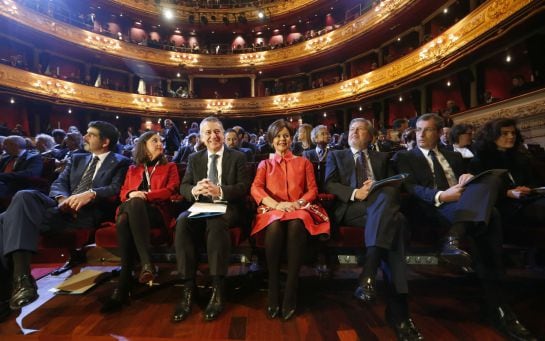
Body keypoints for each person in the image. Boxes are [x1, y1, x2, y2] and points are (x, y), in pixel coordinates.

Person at [393, 114, 536, 341]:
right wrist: (442, 195)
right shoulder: (405, 156)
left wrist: (468, 178)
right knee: (491, 216)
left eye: (427, 130)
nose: (420, 134)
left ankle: (457, 242)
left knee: (490, 187)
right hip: (431, 207)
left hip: (463, 205)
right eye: (418, 129)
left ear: (440, 133)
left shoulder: (454, 155)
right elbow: (411, 188)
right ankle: (499, 306)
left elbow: (468, 182)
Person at [0, 121, 130, 321]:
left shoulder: (120, 161)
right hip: (59, 209)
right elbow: (58, 183)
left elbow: (116, 188)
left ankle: (10, 290)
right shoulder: (77, 158)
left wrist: (91, 193)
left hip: (84, 214)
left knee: (5, 220)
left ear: (105, 142)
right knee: (24, 196)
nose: (85, 137)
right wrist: (62, 199)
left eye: (91, 135)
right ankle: (22, 280)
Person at [325, 118, 421, 340]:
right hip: (353, 209)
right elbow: (329, 184)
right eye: (351, 129)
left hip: (380, 209)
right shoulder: (337, 155)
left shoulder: (381, 157)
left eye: (360, 130)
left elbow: (395, 186)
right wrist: (354, 192)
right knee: (397, 222)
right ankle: (400, 314)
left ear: (371, 136)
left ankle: (369, 275)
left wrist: (377, 187)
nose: (354, 133)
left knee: (389, 203)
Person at [172, 117, 250, 323]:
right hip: (201, 206)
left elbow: (244, 187)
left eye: (217, 131)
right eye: (208, 132)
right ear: (201, 137)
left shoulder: (238, 157)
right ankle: (189, 288)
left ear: (223, 134)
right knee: (182, 221)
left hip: (227, 207)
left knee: (216, 221)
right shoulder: (194, 158)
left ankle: (218, 288)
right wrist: (194, 190)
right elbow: (184, 186)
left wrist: (220, 191)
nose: (213, 136)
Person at [251, 119, 330, 321]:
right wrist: (276, 205)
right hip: (273, 209)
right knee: (275, 226)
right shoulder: (265, 164)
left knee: (296, 223)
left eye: (286, 135)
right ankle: (273, 287)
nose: (282, 139)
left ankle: (291, 289)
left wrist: (298, 202)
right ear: (271, 140)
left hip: (298, 208)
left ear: (291, 138)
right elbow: (256, 188)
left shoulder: (303, 162)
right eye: (277, 136)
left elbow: (313, 189)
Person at [101, 131, 179, 312]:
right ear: (144, 145)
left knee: (123, 219)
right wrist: (131, 195)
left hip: (156, 212)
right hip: (131, 208)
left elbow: (170, 190)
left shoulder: (170, 166)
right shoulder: (132, 169)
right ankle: (144, 265)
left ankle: (125, 281)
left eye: (161, 141)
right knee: (128, 210)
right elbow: (123, 194)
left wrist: (145, 195)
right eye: (155, 141)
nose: (160, 144)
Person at [470, 118, 545, 225]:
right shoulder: (480, 161)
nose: (511, 137)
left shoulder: (520, 157)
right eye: (505, 133)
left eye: (513, 133)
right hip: (503, 205)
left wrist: (528, 188)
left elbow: (535, 181)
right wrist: (507, 193)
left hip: (528, 199)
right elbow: (480, 193)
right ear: (492, 136)